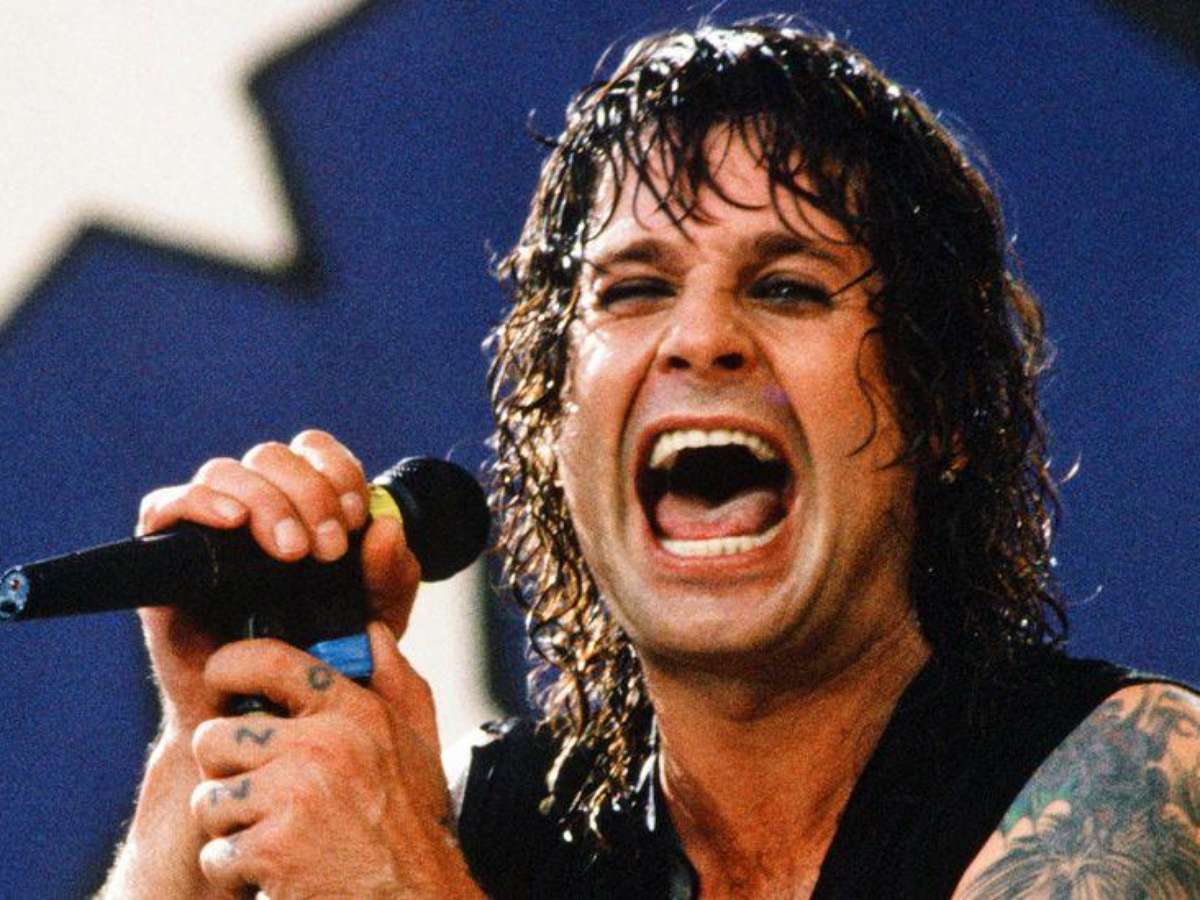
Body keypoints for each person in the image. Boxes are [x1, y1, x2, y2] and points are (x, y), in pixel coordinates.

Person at [101, 21, 1200, 899]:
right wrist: (198, 766)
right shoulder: (503, 827)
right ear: (554, 428)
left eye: (787, 287)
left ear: (944, 410)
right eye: (633, 290)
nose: (701, 337)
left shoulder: (1124, 782)